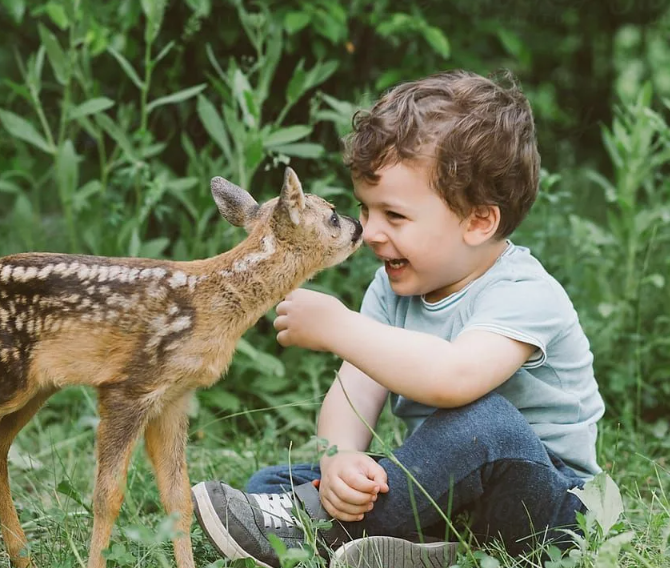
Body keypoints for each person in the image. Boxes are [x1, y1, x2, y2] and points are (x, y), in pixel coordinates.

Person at [191, 69, 606, 568]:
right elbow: (353, 392)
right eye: (365, 210)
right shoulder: (390, 290)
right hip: (452, 494)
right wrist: (340, 457)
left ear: (478, 221)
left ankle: (321, 530)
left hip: (551, 505)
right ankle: (422, 544)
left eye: (395, 216)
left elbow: (453, 379)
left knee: (486, 423)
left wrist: (341, 327)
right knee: (275, 482)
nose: (369, 232)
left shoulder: (525, 292)